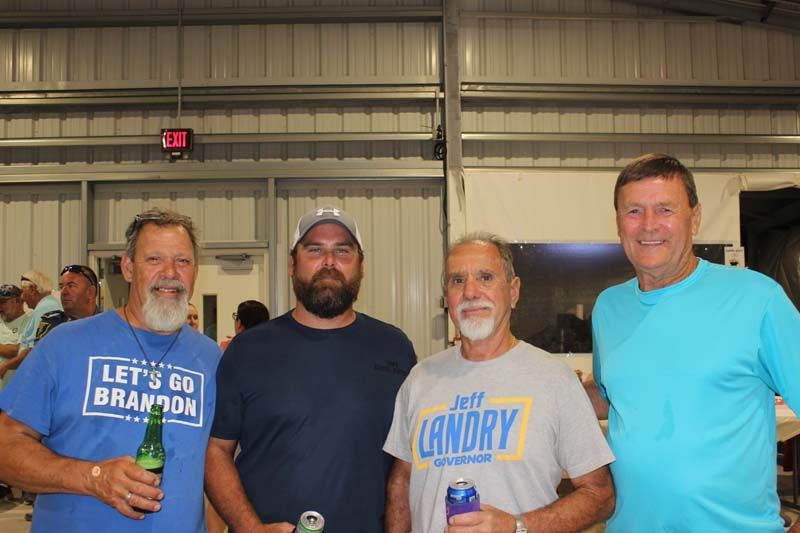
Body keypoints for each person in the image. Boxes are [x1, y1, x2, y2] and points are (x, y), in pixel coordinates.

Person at [586, 153, 800, 532]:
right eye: (633, 211)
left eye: (665, 209)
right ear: (618, 222)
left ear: (695, 218)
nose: (649, 225)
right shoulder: (608, 308)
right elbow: (612, 397)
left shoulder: (757, 299)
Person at [0, 208, 222, 533]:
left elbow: (217, 469)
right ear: (129, 267)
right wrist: (92, 478)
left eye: (183, 261)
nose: (170, 272)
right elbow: (6, 447)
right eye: (154, 259)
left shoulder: (210, 359)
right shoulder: (66, 344)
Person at [383, 233, 615, 533]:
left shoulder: (553, 379)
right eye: (457, 280)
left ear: (514, 291)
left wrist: (517, 526)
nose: (470, 291)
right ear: (447, 296)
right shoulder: (420, 380)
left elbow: (600, 495)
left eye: (485, 277)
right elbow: (401, 482)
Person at [206, 205, 417, 533]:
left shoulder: (395, 348)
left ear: (361, 266)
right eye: (315, 249)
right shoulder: (248, 351)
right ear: (292, 264)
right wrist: (250, 528)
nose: (329, 262)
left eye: (343, 251)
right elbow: (216, 452)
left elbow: (405, 468)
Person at [0, 270, 65, 381]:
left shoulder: (46, 309)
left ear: (33, 289)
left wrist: (6, 366)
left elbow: (34, 350)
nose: (23, 298)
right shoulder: (43, 308)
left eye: (23, 292)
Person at [0, 284, 30, 388]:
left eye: (3, 302)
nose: (0, 306)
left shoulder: (29, 322)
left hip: (15, 392)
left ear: (18, 301)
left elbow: (19, 351)